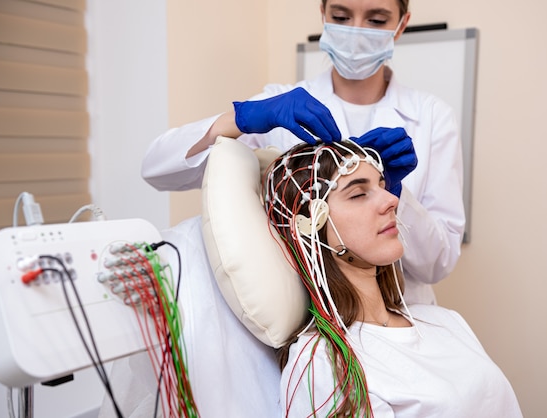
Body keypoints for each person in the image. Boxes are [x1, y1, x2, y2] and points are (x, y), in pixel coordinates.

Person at [141, 0, 464, 305]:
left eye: (376, 20)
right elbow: (158, 169)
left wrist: (393, 195)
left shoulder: (433, 117)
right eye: (340, 17)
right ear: (322, 12)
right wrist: (240, 119)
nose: (355, 31)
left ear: (401, 24)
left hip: (403, 311)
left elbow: (439, 264)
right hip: (310, 317)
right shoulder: (284, 107)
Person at [263, 139, 522, 417]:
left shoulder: (445, 321)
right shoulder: (323, 362)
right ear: (310, 225)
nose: (392, 200)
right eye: (359, 194)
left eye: (382, 186)